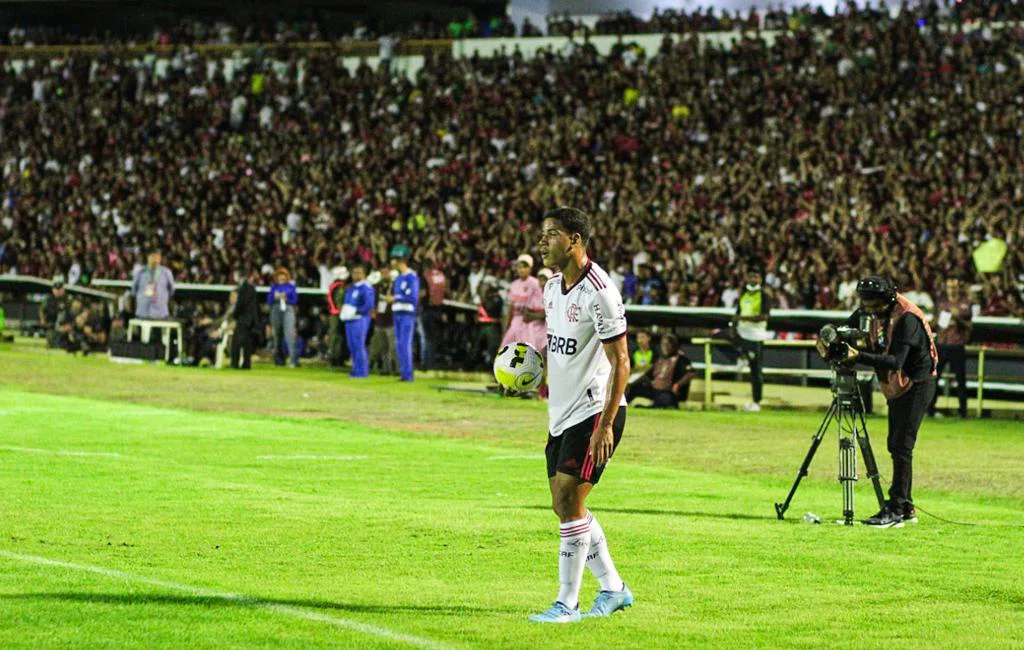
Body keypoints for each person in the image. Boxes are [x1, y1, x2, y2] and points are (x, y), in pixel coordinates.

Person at [528, 207, 632, 623]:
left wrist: (605, 424)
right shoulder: (553, 288)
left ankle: (567, 603)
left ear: (574, 240)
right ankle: (614, 589)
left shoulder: (600, 291)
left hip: (595, 412)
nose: (542, 242)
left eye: (551, 234)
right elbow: (558, 346)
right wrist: (528, 371)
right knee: (565, 505)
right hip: (562, 412)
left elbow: (621, 361)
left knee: (569, 500)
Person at [818, 276, 937, 528]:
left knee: (901, 446)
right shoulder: (873, 309)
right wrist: (830, 340)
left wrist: (858, 356)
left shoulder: (907, 319)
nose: (868, 311)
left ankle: (895, 509)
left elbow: (896, 361)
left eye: (873, 306)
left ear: (888, 300)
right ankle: (905, 505)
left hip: (916, 383)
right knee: (896, 446)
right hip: (897, 384)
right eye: (865, 305)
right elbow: (844, 329)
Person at [929, 277, 972, 418]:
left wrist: (957, 318)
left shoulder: (965, 304)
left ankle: (963, 411)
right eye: (949, 287)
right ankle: (930, 408)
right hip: (942, 343)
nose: (952, 290)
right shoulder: (941, 303)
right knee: (935, 377)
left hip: (957, 345)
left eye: (954, 287)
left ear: (959, 288)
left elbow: (970, 326)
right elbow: (935, 323)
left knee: (960, 379)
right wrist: (935, 321)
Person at [734, 268, 771, 412]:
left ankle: (756, 402)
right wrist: (734, 324)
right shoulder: (743, 295)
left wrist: (742, 319)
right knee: (721, 335)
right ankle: (742, 355)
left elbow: (764, 316)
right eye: (750, 276)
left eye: (755, 276)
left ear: (760, 279)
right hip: (743, 333)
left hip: (756, 336)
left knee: (756, 371)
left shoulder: (764, 296)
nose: (753, 279)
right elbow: (738, 313)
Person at [626, 334, 694, 408]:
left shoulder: (681, 359)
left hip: (669, 391)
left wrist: (678, 384)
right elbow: (648, 374)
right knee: (635, 388)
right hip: (655, 389)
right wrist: (633, 382)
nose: (664, 347)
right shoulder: (660, 360)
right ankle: (622, 405)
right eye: (663, 344)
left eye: (667, 344)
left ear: (673, 345)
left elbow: (691, 373)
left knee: (664, 399)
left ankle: (650, 407)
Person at [501, 254, 547, 354]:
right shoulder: (514, 284)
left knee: (527, 351)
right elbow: (511, 307)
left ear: (530, 269)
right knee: (505, 348)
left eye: (525, 267)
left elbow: (539, 304)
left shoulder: (535, 283)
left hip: (529, 321)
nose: (521, 270)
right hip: (516, 319)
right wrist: (507, 325)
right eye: (519, 267)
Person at [387, 245, 419, 382]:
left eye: (393, 260)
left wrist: (396, 298)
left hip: (407, 313)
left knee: (405, 343)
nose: (391, 263)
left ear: (399, 261)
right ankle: (404, 373)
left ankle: (408, 375)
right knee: (399, 344)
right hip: (397, 312)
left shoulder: (412, 277)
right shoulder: (398, 279)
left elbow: (413, 297)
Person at [341, 264, 375, 378]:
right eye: (354, 273)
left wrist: (356, 311)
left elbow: (368, 305)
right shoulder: (351, 288)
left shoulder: (366, 287)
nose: (356, 275)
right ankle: (356, 370)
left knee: (359, 345)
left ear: (364, 274)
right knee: (352, 345)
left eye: (359, 273)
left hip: (360, 319)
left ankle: (362, 372)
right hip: (349, 319)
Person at [268, 267, 300, 367]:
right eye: (279, 275)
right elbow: (269, 300)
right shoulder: (274, 287)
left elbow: (295, 300)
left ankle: (294, 360)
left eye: (283, 275)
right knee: (277, 336)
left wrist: (286, 299)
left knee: (289, 335)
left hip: (288, 309)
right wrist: (275, 297)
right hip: (276, 309)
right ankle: (278, 360)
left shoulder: (291, 287)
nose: (281, 277)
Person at [131, 250, 174, 319]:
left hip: (161, 313)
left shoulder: (166, 272)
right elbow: (133, 290)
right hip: (142, 311)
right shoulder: (140, 272)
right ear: (148, 258)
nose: (154, 260)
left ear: (160, 259)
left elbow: (171, 290)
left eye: (156, 257)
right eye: (152, 257)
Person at [230, 268, 258, 370]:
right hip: (250, 320)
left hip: (243, 319)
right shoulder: (250, 287)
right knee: (246, 343)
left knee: (236, 342)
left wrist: (234, 315)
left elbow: (240, 305)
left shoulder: (244, 288)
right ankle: (246, 364)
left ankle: (234, 364)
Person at [325, 266, 349, 367]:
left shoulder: (333, 285)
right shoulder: (340, 287)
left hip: (333, 314)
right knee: (337, 337)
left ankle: (334, 357)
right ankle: (336, 358)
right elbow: (339, 302)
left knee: (334, 336)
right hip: (338, 315)